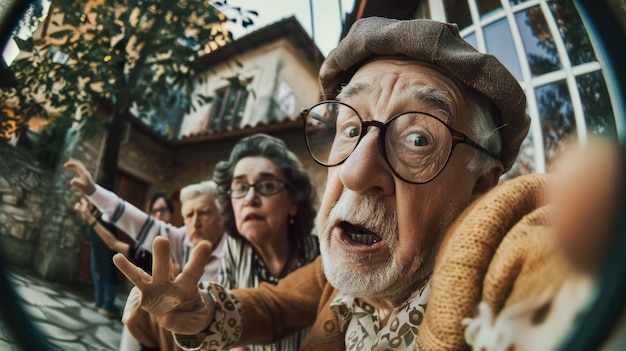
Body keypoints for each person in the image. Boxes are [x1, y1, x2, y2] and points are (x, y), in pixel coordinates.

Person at [111, 17, 617, 350]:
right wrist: (198, 314)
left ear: (481, 185)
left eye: (418, 138)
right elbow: (269, 306)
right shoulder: (329, 278)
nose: (355, 171)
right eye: (350, 129)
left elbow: (543, 264)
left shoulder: (501, 264)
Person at [65, 158, 226, 281]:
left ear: (222, 215)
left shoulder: (237, 252)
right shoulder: (181, 239)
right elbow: (139, 222)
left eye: (204, 213)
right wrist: (93, 192)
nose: (195, 222)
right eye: (189, 215)